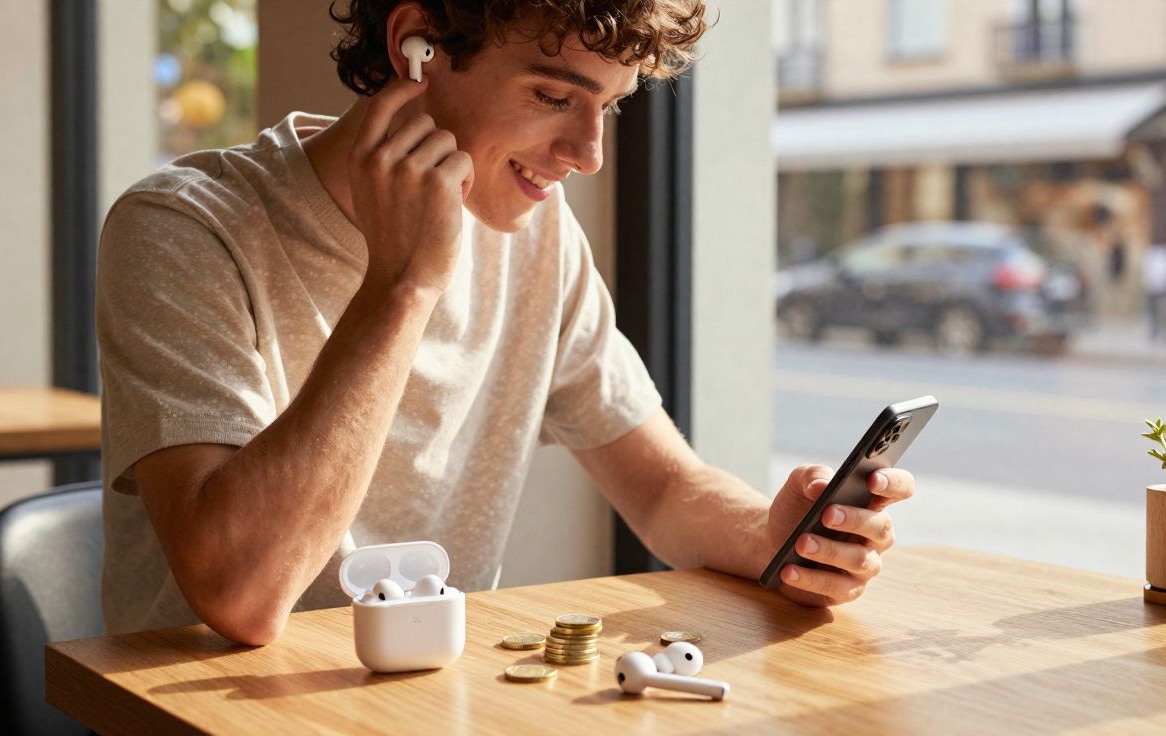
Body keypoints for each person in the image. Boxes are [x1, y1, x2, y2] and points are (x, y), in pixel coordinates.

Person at [95, 0, 916, 645]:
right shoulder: (183, 229)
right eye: (555, 95)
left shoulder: (540, 235)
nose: (588, 153)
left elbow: (664, 487)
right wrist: (404, 284)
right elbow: (241, 594)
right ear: (416, 47)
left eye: (612, 107)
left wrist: (776, 535)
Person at [1145, 241, 1166, 342]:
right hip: (1151, 286)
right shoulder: (1150, 253)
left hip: (1161, 287)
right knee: (1152, 310)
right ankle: (1154, 330)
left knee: (1161, 310)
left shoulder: (1162, 253)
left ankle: (1161, 330)